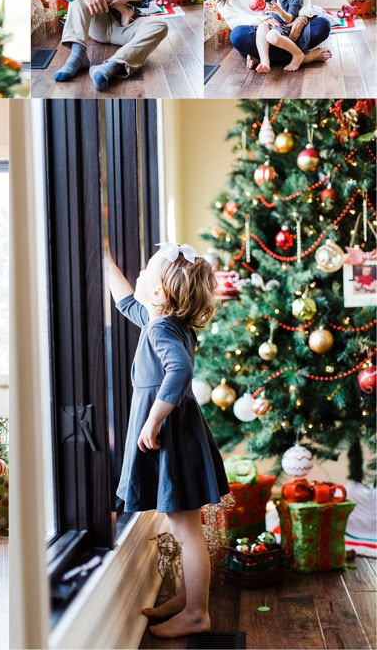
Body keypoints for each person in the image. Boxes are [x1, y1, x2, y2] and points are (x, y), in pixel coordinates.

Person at [108, 243, 229, 640]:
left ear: (159, 293)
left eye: (145, 271)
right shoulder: (165, 320)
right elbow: (127, 303)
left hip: (171, 435)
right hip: (179, 434)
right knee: (182, 526)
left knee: (186, 529)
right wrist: (104, 259)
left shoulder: (160, 327)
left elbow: (179, 370)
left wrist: (153, 420)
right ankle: (187, 597)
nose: (139, 275)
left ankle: (197, 613)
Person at [253, 0, 309, 73]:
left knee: (271, 36)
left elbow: (290, 18)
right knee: (261, 27)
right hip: (273, 24)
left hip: (284, 27)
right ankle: (265, 62)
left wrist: (279, 11)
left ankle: (298, 54)